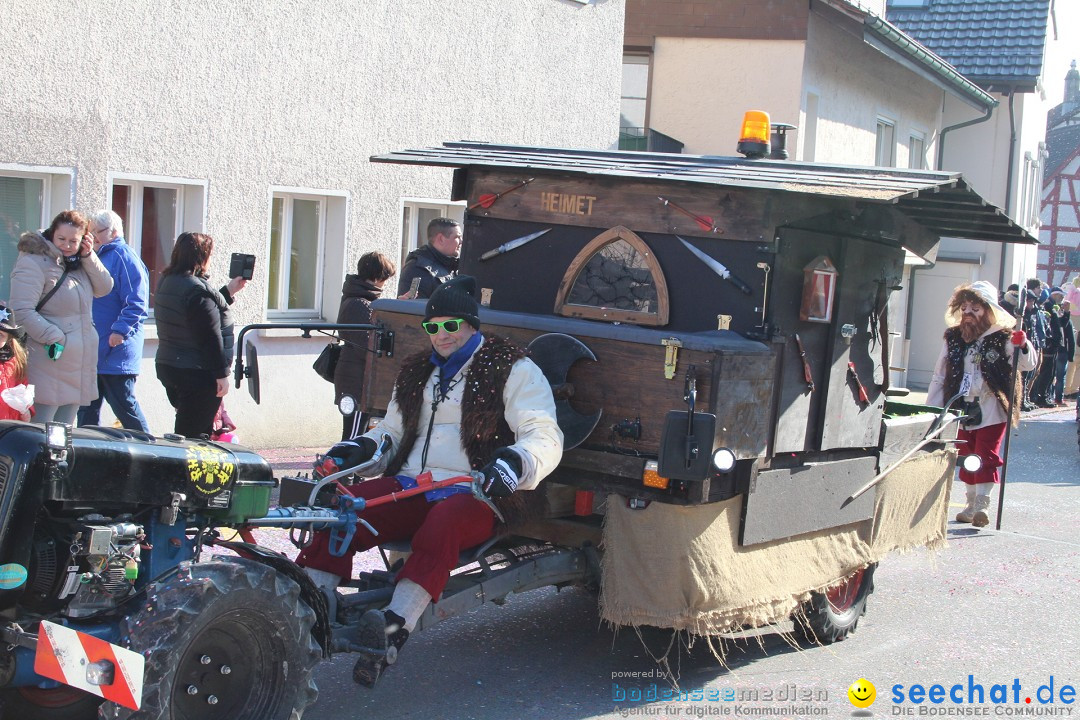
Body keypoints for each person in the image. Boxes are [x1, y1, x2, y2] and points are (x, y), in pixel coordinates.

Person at [296, 275, 562, 687]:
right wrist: (360, 450)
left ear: (472, 324)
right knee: (344, 510)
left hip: (478, 490)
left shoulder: (513, 369)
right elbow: (393, 433)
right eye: (432, 326)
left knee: (444, 525)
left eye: (451, 325)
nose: (441, 335)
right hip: (413, 484)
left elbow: (543, 434)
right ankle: (307, 610)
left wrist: (513, 464)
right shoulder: (418, 371)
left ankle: (392, 627)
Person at [927, 281, 1036, 528]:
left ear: (987, 310)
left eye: (974, 308)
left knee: (986, 455)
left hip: (991, 407)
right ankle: (969, 503)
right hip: (960, 406)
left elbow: (1027, 364)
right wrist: (933, 410)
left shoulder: (1003, 337)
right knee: (966, 456)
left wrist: (1023, 345)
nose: (968, 313)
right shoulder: (953, 338)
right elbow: (940, 373)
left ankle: (982, 504)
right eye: (964, 308)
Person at [9, 210, 113, 424]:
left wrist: (88, 256)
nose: (66, 245)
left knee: (63, 434)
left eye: (73, 241)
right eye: (61, 239)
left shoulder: (79, 262)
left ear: (84, 240)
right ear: (51, 234)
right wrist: (55, 337)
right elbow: (21, 310)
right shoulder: (35, 262)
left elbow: (105, 287)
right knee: (42, 431)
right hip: (48, 358)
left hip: (76, 363)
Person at [154, 232, 247, 438]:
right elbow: (209, 336)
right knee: (191, 438)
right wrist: (222, 375)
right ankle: (179, 471)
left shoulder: (168, 281)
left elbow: (195, 315)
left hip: (170, 366)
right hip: (197, 373)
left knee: (191, 429)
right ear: (202, 257)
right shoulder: (197, 291)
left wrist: (229, 291)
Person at [77, 210, 151, 431]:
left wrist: (120, 331)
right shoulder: (97, 256)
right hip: (96, 348)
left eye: (98, 232)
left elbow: (137, 302)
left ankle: (149, 451)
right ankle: (87, 456)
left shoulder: (123, 256)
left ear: (115, 231)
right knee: (87, 407)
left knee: (123, 405)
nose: (94, 237)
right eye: (90, 232)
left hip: (115, 350)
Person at [334, 252, 396, 440]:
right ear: (377, 277)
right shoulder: (359, 304)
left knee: (357, 433)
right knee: (353, 435)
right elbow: (367, 347)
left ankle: (351, 469)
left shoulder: (360, 299)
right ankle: (343, 469)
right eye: (385, 279)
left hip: (357, 378)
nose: (384, 284)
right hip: (356, 381)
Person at [396, 218, 462, 299]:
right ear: (441, 239)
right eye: (457, 237)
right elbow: (411, 308)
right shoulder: (418, 269)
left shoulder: (452, 267)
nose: (461, 241)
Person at [1030, 292, 1067, 408]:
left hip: (1053, 344)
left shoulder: (1052, 307)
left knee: (1050, 373)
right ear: (1054, 295)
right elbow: (1048, 326)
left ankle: (1043, 396)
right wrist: (1049, 341)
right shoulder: (1048, 306)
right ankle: (1040, 397)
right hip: (1049, 345)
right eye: (1060, 296)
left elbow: (1060, 325)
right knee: (1045, 373)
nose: (1061, 298)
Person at [0, 302, 33, 421]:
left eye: (1, 335)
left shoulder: (14, 361)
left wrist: (26, 409)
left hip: (9, 425)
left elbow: (22, 388)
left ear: (9, 338)